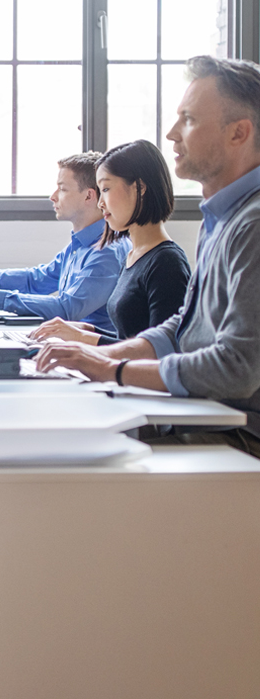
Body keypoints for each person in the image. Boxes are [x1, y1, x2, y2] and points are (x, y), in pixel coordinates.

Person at [35, 56, 260, 452]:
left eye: (188, 120)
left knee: (68, 458)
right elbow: (181, 326)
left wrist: (114, 369)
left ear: (238, 133)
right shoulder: (220, 218)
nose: (172, 134)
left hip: (238, 434)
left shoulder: (252, 226)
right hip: (205, 415)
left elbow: (236, 368)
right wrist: (95, 356)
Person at [0, 152, 126, 330]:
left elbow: (67, 308)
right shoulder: (80, 244)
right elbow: (36, 280)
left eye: (62, 189)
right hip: (67, 342)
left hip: (90, 354)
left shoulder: (105, 253)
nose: (53, 196)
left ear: (89, 196)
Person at [31, 140, 190, 346]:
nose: (100, 203)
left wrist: (84, 338)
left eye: (105, 189)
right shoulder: (134, 255)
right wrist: (85, 330)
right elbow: (130, 338)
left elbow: (161, 352)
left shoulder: (167, 263)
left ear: (139, 187)